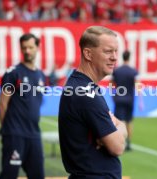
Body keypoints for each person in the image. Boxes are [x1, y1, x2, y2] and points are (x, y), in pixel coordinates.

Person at [58, 26, 127, 179]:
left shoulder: (82, 86)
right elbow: (118, 147)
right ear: (88, 54)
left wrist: (118, 127)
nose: (115, 57)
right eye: (108, 51)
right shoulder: (85, 93)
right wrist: (120, 127)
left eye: (116, 51)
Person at [0, 33, 46, 179]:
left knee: (38, 175)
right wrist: (6, 131)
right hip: (15, 133)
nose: (27, 51)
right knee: (9, 175)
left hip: (34, 134)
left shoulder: (41, 75)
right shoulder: (13, 73)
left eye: (31, 47)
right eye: (24, 48)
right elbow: (2, 104)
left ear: (37, 48)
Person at [112, 50, 138, 151]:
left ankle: (118, 141)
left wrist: (113, 95)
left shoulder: (117, 71)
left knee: (118, 121)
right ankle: (128, 143)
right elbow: (137, 85)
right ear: (129, 57)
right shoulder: (133, 71)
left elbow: (112, 84)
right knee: (129, 121)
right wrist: (140, 100)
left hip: (119, 98)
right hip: (130, 99)